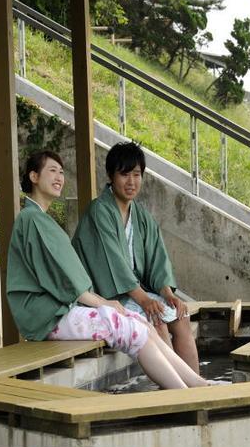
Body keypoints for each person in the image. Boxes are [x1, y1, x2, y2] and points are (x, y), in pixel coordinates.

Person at [7, 150, 208, 390]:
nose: (60, 177)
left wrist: (166, 293)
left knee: (141, 322)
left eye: (62, 171)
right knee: (135, 325)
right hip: (50, 314)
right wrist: (105, 302)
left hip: (65, 306)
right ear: (34, 176)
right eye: (52, 171)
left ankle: (197, 384)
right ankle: (180, 393)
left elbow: (155, 259)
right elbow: (66, 280)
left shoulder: (40, 218)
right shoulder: (34, 219)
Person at [73, 142, 200, 373]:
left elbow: (157, 259)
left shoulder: (140, 215)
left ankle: (197, 390)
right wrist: (145, 301)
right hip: (104, 296)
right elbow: (113, 265)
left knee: (181, 316)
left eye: (137, 174)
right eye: (124, 174)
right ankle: (175, 394)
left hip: (132, 293)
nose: (131, 182)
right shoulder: (99, 211)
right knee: (157, 319)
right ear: (110, 176)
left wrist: (168, 295)